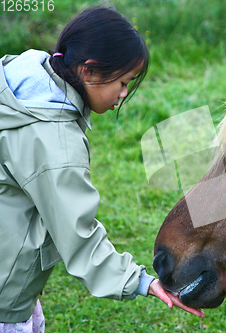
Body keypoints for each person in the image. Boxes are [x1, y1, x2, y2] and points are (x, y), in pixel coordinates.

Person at [0, 6, 204, 332]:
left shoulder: (21, 80)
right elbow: (79, 235)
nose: (124, 94)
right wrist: (140, 281)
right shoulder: (55, 141)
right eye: (123, 82)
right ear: (89, 71)